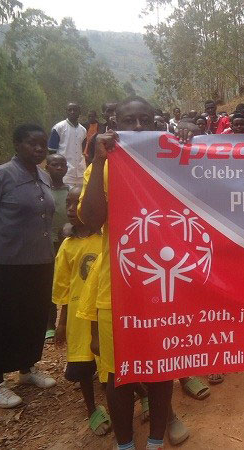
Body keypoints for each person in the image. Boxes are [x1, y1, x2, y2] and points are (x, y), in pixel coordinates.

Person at [79, 96, 189, 450]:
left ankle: (156, 441)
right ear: (116, 126)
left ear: (158, 125)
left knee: (162, 369)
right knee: (118, 374)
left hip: (168, 289)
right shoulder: (105, 164)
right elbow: (92, 218)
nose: (139, 128)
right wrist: (98, 160)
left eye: (146, 120)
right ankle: (125, 444)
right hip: (119, 288)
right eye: (131, 121)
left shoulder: (176, 161)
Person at [0, 123, 57, 409]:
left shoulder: (43, 176)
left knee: (32, 316)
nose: (39, 149)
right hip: (3, 264)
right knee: (0, 320)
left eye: (43, 144)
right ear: (17, 145)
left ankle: (27, 368)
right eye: (32, 143)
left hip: (39, 262)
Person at [52, 187, 112, 436]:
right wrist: (62, 322)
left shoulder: (105, 238)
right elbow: (63, 287)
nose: (70, 209)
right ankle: (91, 409)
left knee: (110, 362)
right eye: (67, 203)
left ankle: (140, 394)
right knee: (83, 364)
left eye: (77, 203)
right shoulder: (67, 246)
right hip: (78, 317)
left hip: (102, 313)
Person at [45, 153, 69, 342]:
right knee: (48, 280)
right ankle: (48, 324)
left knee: (67, 279)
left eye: (62, 165)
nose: (59, 168)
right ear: (47, 167)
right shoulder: (41, 190)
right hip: (46, 242)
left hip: (66, 241)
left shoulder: (71, 191)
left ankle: (67, 320)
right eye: (55, 165)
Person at [48, 102, 87, 188]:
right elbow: (51, 151)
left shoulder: (83, 130)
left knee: (79, 197)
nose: (72, 112)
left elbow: (82, 149)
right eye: (70, 110)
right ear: (66, 112)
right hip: (65, 171)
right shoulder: (58, 128)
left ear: (79, 112)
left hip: (80, 171)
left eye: (75, 110)